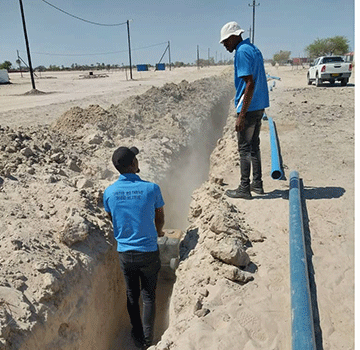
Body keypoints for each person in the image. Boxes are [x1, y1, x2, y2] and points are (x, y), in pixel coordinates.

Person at [103, 146, 165, 348]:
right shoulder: (151, 188)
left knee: (132, 295)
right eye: (135, 159)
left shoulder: (109, 192)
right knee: (148, 296)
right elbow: (159, 218)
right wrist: (159, 231)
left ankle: (136, 333)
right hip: (148, 251)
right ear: (133, 164)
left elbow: (113, 218)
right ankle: (148, 341)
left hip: (125, 253)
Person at [220, 21, 270, 199]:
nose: (225, 45)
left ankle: (244, 188)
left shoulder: (241, 52)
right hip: (259, 106)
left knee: (244, 149)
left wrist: (241, 115)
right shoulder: (253, 49)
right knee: (254, 147)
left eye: (226, 41)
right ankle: (257, 184)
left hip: (248, 108)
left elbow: (249, 84)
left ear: (234, 37)